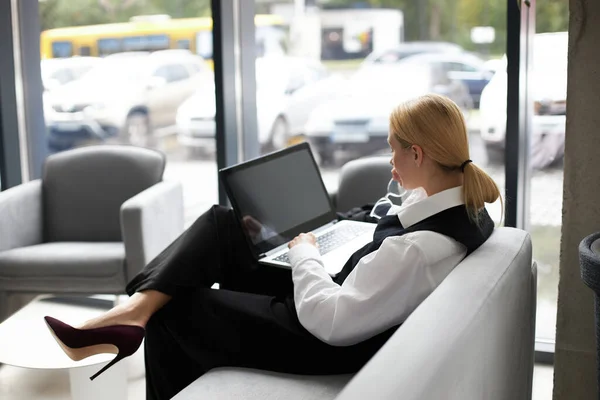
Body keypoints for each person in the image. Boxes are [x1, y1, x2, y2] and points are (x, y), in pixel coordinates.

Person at [44, 94, 501, 400]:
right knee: (225, 225)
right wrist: (343, 233)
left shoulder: (419, 250)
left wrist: (306, 252)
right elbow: (386, 260)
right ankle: (130, 313)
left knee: (177, 313)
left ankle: (138, 318)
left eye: (394, 151)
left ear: (418, 154)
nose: (391, 163)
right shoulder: (462, 212)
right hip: (334, 299)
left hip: (316, 336)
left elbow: (332, 320)